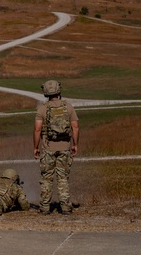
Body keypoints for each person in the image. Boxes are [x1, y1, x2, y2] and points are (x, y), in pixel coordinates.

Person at [34, 79, 79, 214]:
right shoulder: (68, 107)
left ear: (45, 92)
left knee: (47, 178)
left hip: (47, 148)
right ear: (59, 90)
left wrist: (36, 147)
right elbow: (75, 127)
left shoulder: (42, 108)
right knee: (63, 177)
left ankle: (45, 207)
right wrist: (75, 144)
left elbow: (37, 130)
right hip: (65, 147)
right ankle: (65, 207)